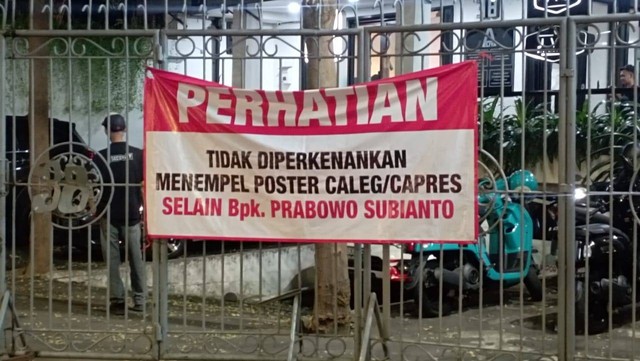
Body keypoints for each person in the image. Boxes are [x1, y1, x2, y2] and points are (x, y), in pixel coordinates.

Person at [98, 113, 147, 315]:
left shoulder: (101, 156)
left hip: (108, 213)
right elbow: (143, 185)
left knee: (112, 261)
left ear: (107, 131)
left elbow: (95, 185)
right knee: (136, 258)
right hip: (132, 213)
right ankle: (140, 301)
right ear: (124, 129)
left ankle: (117, 302)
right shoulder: (137, 154)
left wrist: (95, 208)